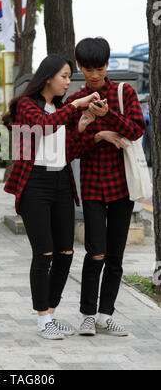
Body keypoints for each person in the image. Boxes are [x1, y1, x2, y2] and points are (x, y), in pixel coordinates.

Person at [3, 54, 102, 340]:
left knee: (66, 252)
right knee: (43, 253)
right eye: (64, 76)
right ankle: (43, 320)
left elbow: (71, 150)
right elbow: (45, 125)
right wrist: (76, 105)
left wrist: (82, 125)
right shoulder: (26, 106)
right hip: (34, 184)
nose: (68, 82)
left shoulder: (60, 108)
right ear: (47, 77)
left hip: (61, 182)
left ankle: (52, 312)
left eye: (70, 77)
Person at [65, 37, 146, 337]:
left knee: (115, 256)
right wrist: (95, 135)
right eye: (88, 69)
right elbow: (71, 149)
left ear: (107, 65)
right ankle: (87, 314)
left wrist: (107, 117)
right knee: (94, 252)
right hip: (92, 185)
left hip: (122, 185)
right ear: (79, 67)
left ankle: (105, 314)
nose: (94, 75)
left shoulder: (124, 93)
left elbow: (137, 130)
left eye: (99, 68)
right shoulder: (76, 102)